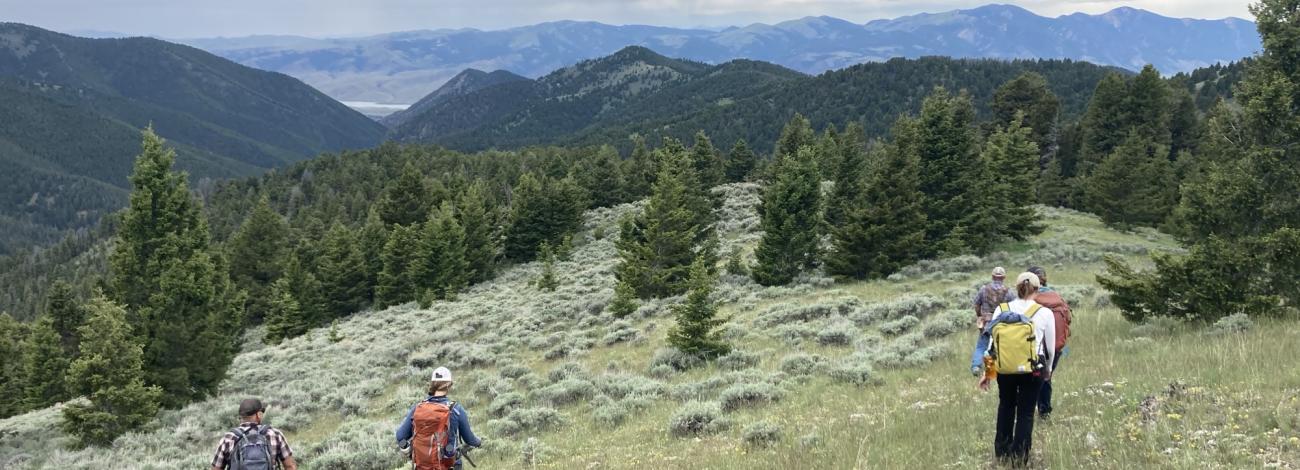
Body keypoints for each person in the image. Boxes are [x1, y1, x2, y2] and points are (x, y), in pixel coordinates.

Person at [978, 272, 1056, 466]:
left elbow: (991, 346)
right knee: (1026, 413)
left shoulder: (1001, 309)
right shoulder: (1044, 312)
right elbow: (1051, 348)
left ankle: (1002, 452)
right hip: (1033, 368)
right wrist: (1048, 370)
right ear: (1037, 290)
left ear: (1016, 287)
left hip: (1005, 368)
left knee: (1005, 407)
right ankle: (1020, 458)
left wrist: (988, 373)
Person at [396, 366, 482, 470]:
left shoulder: (418, 407)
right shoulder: (456, 409)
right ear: (448, 385)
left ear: (432, 384)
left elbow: (400, 436)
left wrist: (410, 452)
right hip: (449, 465)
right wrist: (479, 442)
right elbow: (470, 440)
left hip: (421, 466)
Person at [1028, 266, 1071, 419]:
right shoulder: (1057, 296)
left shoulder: (1029, 298)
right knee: (1046, 377)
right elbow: (1068, 319)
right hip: (1056, 346)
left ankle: (1028, 411)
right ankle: (1044, 411)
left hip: (1034, 346)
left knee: (1030, 378)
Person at [210, 398, 297, 470]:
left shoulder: (228, 438)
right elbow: (290, 466)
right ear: (258, 414)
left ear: (241, 416)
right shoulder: (275, 434)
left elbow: (216, 468)